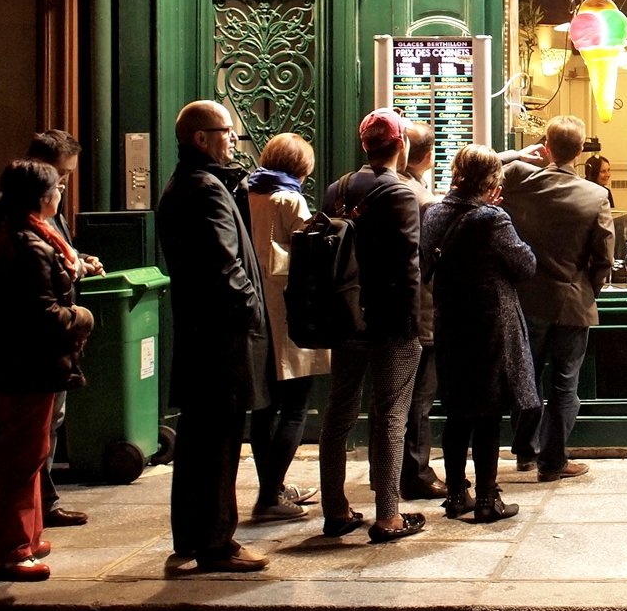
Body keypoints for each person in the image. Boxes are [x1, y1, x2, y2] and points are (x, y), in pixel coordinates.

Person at [0, 130, 102, 543]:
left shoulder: (36, 215)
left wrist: (77, 263)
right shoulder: (15, 215)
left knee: (32, 433)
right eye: (62, 177)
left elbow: (55, 257)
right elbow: (30, 288)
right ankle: (6, 528)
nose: (65, 186)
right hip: (30, 349)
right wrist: (78, 313)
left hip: (38, 347)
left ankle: (27, 513)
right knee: (23, 438)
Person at [155, 101, 273, 573]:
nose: (233, 138)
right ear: (200, 138)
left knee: (198, 441)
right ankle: (216, 544)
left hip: (204, 335)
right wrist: (251, 312)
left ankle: (191, 538)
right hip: (220, 340)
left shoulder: (191, 184)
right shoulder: (203, 190)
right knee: (219, 443)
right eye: (225, 130)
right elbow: (226, 266)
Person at [0, 159, 96, 581]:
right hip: (26, 364)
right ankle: (13, 549)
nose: (62, 193)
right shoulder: (28, 245)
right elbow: (42, 314)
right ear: (41, 197)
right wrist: (81, 316)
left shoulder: (28, 236)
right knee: (22, 458)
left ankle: (28, 537)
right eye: (57, 188)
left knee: (32, 454)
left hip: (24, 362)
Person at [317, 107, 426, 544]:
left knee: (339, 412)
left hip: (345, 318)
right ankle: (388, 517)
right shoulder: (400, 193)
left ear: (365, 145)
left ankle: (335, 511)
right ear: (400, 145)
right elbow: (408, 264)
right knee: (391, 415)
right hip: (389, 319)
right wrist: (414, 323)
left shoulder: (337, 189)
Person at [421, 145, 539, 523]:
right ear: (491, 182)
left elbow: (423, 264)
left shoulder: (434, 212)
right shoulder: (493, 218)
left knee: (456, 411)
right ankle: (488, 498)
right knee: (488, 413)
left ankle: (457, 494)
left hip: (450, 321)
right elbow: (525, 265)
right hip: (489, 323)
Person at [498, 115, 614, 483]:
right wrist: (586, 291)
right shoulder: (595, 196)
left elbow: (475, 163)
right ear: (580, 152)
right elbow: (604, 259)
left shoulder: (517, 178)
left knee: (525, 377)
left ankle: (525, 452)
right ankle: (553, 461)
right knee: (565, 384)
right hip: (572, 302)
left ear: (545, 146)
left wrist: (516, 154)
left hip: (526, 298)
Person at [243, 132, 325, 522]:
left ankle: (272, 487)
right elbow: (309, 249)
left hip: (257, 306)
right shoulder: (289, 198)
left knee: (265, 408)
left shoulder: (249, 192)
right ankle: (269, 496)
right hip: (291, 306)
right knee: (295, 406)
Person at [397, 121, 447, 502]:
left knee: (394, 395)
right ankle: (416, 472)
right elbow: (435, 260)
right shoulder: (423, 200)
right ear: (428, 157)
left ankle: (392, 469)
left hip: (383, 306)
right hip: (422, 307)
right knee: (419, 397)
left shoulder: (375, 186)